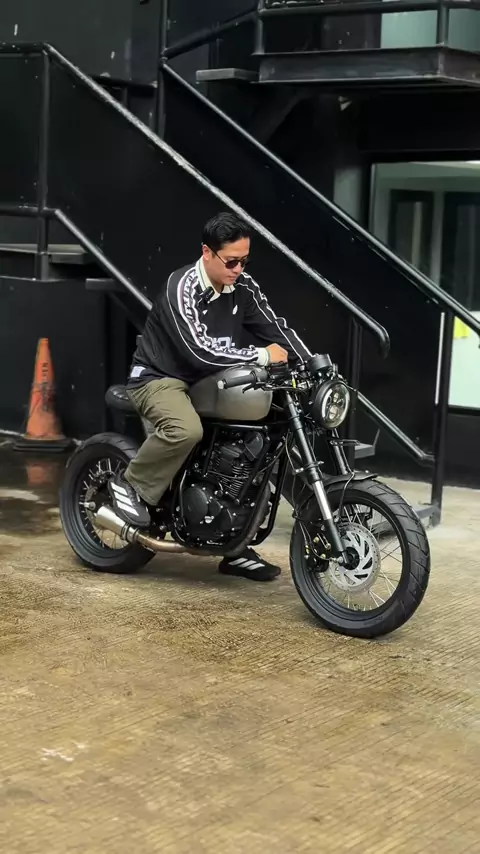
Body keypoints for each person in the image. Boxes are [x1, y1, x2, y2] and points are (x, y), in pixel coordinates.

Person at [109, 212, 311, 582]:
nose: (239, 269)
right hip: (162, 377)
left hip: (211, 380)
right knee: (185, 430)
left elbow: (275, 328)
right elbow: (199, 352)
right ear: (207, 252)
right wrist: (261, 356)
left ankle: (234, 543)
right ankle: (131, 485)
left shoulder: (242, 286)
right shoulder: (181, 287)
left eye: (244, 261)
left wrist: (311, 364)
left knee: (263, 439)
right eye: (231, 261)